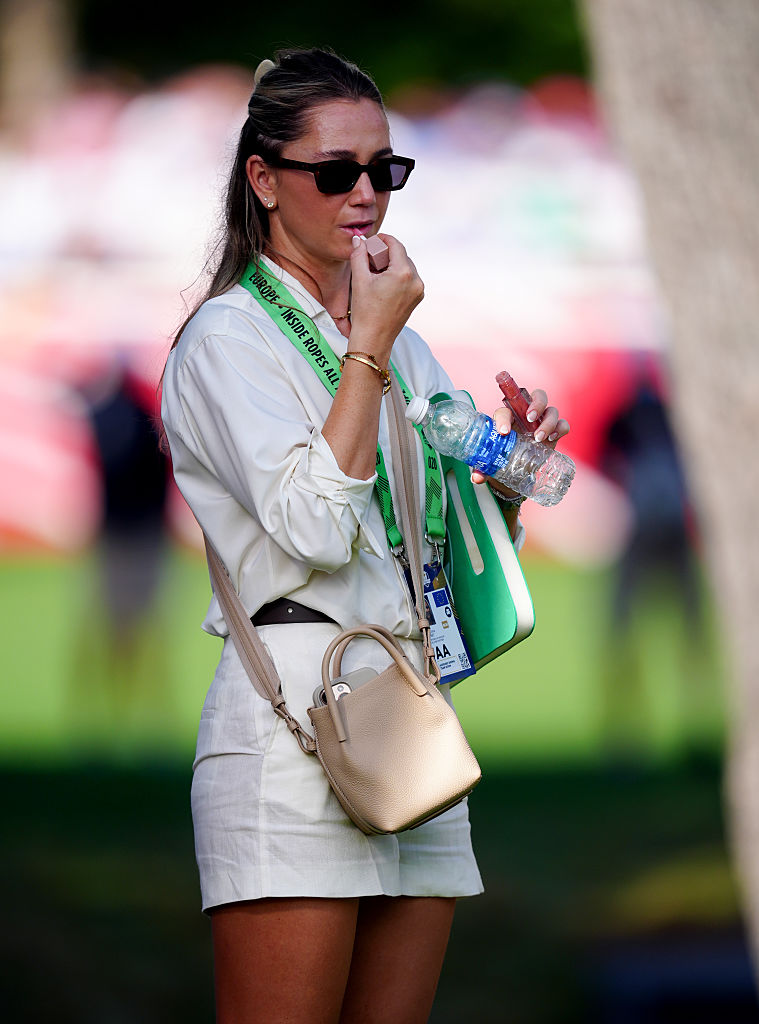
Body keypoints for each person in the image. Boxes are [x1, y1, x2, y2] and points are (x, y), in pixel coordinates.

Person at [161, 48, 570, 1024]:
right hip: (292, 728)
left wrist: (501, 484)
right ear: (263, 179)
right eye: (335, 170)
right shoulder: (227, 339)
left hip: (411, 720)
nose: (366, 194)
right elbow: (313, 528)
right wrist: (369, 347)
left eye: (385, 168)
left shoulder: (398, 338)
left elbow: (419, 548)